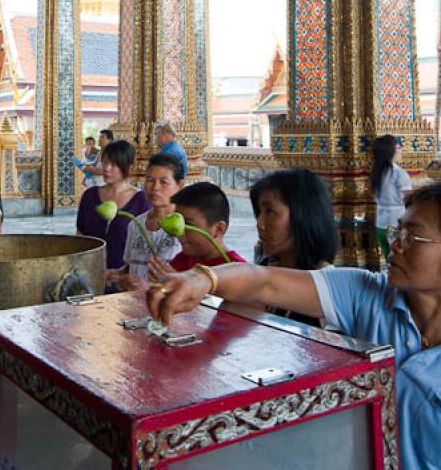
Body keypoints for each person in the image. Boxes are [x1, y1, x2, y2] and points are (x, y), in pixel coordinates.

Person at [148, 182, 441, 470]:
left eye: (413, 237)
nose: (395, 244)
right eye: (397, 231)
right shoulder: (367, 294)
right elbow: (265, 281)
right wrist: (203, 279)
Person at [250, 168, 337, 325]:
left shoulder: (325, 285)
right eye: (259, 212)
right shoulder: (267, 268)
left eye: (270, 211)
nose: (260, 224)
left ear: (303, 216)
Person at [108, 154, 184, 291]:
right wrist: (116, 275)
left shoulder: (187, 228)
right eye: (149, 180)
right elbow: (131, 267)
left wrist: (150, 287)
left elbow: (193, 282)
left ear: (180, 186)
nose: (155, 187)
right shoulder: (135, 225)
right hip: (133, 305)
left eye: (163, 182)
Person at [149, 181, 245, 280]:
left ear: (218, 229)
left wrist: (180, 283)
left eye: (188, 224)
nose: (179, 233)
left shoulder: (238, 271)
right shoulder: (183, 260)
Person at [76, 139, 148, 269]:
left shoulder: (141, 200)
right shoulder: (90, 196)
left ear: (129, 167)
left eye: (114, 164)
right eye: (104, 162)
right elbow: (80, 235)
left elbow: (144, 245)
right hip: (90, 270)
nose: (107, 168)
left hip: (123, 276)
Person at [370, 134, 412, 259]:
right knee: (401, 260)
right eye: (398, 147)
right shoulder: (399, 173)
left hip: (381, 225)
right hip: (395, 225)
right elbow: (408, 199)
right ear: (391, 151)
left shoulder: (376, 173)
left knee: (390, 261)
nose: (401, 150)